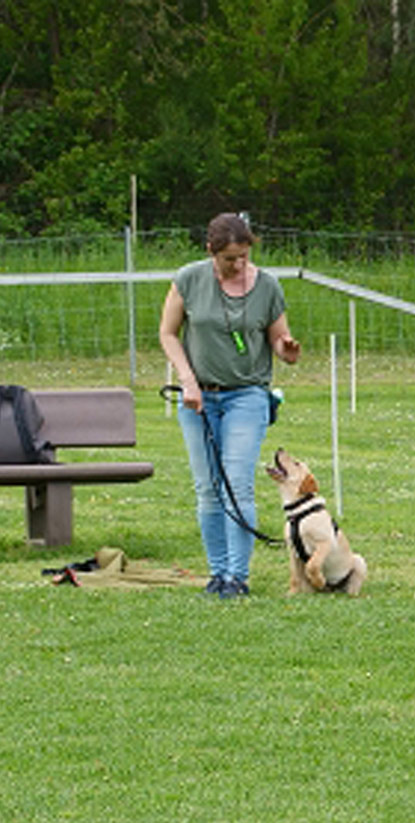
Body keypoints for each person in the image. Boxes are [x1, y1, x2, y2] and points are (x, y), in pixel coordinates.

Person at [159, 213, 301, 599]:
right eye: (229, 259)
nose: (238, 265)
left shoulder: (267, 286)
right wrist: (187, 379)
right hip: (198, 397)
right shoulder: (189, 279)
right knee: (208, 488)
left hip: (247, 395)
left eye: (244, 257)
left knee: (237, 485)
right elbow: (168, 333)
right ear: (211, 251)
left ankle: (237, 577)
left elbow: (279, 339)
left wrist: (285, 349)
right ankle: (217, 573)